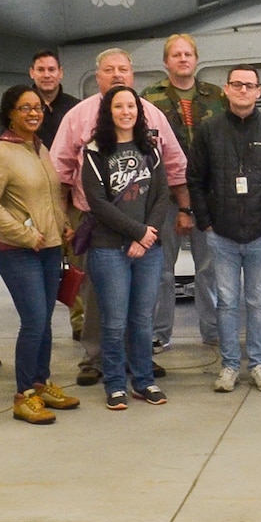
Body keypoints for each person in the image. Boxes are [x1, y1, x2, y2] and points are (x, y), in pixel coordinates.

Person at [51, 48, 189, 385]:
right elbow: (60, 173)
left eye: (123, 69)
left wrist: (184, 208)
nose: (117, 75)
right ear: (97, 76)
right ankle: (97, 359)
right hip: (95, 221)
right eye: (109, 69)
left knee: (145, 295)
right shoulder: (78, 117)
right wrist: (62, 220)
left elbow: (173, 168)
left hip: (149, 224)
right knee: (98, 297)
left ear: (132, 76)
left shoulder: (152, 116)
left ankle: (138, 356)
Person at [189, 65, 261, 394]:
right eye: (237, 85)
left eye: (249, 85)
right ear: (226, 89)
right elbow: (195, 179)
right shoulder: (208, 130)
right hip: (220, 233)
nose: (243, 91)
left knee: (259, 302)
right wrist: (206, 222)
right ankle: (230, 366)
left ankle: (259, 365)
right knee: (226, 302)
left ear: (258, 91)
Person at [0, 85, 79, 425]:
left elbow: (50, 194)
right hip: (18, 251)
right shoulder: (0, 152)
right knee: (34, 320)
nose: (34, 113)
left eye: (37, 108)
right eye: (25, 108)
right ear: (10, 113)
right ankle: (24, 395)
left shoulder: (39, 147)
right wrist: (23, 233)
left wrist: (63, 224)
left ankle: (41, 381)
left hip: (49, 248)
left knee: (45, 319)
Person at [80, 86, 175, 411]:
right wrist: (136, 233)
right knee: (114, 321)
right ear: (108, 112)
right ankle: (115, 384)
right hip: (109, 249)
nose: (126, 111)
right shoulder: (94, 151)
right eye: (118, 106)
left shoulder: (150, 147)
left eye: (131, 106)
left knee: (142, 321)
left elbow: (162, 195)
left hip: (149, 248)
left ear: (139, 110)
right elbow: (98, 203)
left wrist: (147, 236)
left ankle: (144, 380)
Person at [141, 34, 226, 349]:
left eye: (188, 53)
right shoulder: (149, 98)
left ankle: (213, 331)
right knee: (161, 270)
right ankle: (158, 334)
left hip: (207, 197)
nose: (182, 59)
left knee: (209, 269)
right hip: (164, 198)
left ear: (196, 58)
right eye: (176, 55)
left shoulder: (216, 96)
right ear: (166, 62)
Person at [29, 49, 79, 149]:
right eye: (40, 70)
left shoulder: (77, 108)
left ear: (60, 73)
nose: (46, 75)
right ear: (32, 73)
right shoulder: (19, 109)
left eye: (51, 70)